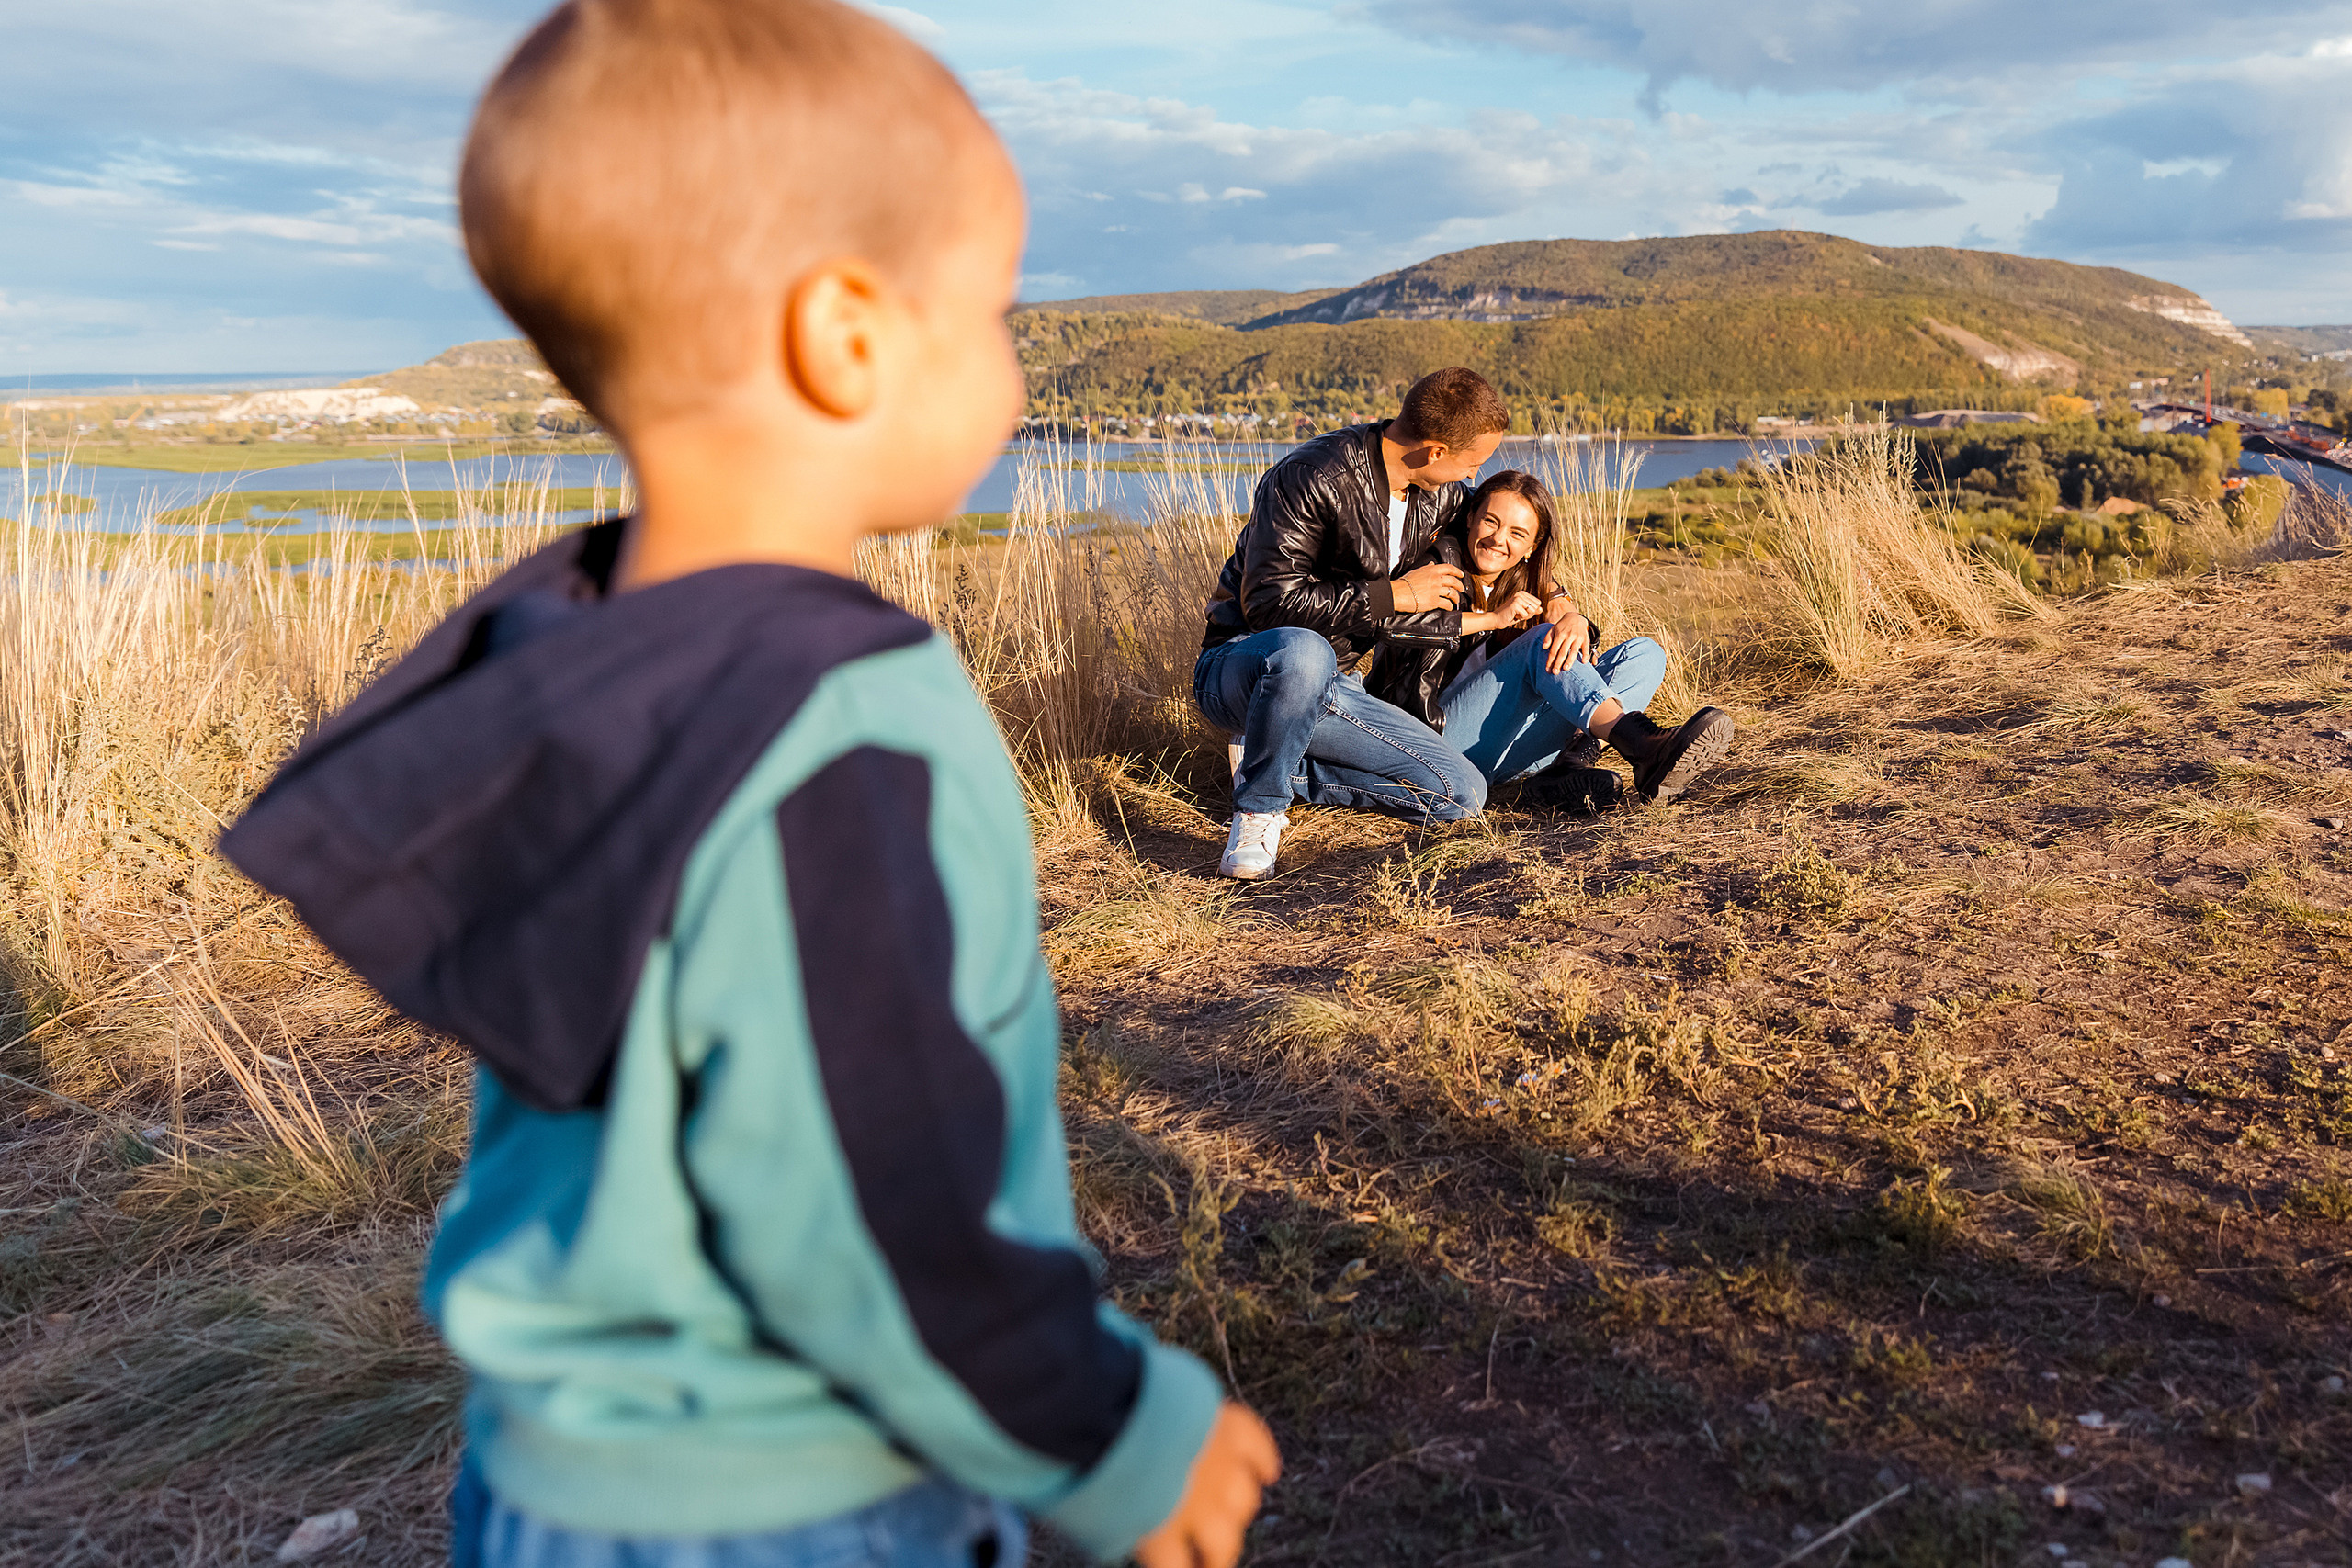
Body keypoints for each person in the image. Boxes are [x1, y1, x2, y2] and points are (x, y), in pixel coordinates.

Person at [216, 4, 1277, 1567]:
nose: (1011, 363)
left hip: (554, 1483)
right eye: (993, 311)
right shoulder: (837, 725)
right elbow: (875, 1192)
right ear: (845, 339)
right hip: (789, 1494)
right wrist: (1120, 1435)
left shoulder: (578, 649)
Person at [1194, 367, 1511, 881]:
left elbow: (1496, 538)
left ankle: (1280, 761)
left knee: (1463, 793)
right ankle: (1259, 809)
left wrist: (1559, 600)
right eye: (1473, 462)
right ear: (1435, 452)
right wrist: (1393, 595)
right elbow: (1270, 603)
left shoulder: (1439, 493)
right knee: (1305, 652)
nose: (1473, 475)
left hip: (1335, 687)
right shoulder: (1312, 476)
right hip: (1245, 668)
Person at [1366, 469, 1735, 807]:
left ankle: (1567, 767)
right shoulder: (1437, 565)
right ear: (1470, 518)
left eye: (1517, 534)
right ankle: (1642, 746)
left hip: (1506, 748)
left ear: (1532, 546)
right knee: (1541, 641)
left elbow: (1558, 614)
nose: (1498, 539)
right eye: (1490, 521)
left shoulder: (1529, 583)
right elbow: (1394, 627)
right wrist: (1491, 619)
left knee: (1644, 654)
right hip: (1437, 743)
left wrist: (1574, 619)